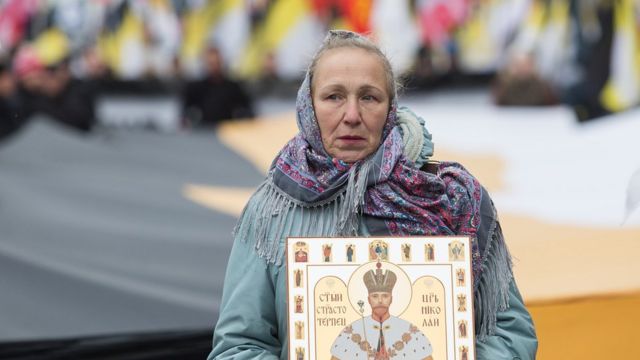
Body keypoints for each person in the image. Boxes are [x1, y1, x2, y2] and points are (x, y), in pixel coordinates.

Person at [208, 30, 537, 360]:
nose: (352, 115)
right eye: (334, 96)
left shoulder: (449, 199)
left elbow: (511, 335)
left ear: (390, 108)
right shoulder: (272, 211)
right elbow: (238, 346)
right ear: (309, 105)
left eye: (369, 97)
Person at [330, 261, 433, 360]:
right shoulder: (351, 330)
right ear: (369, 299)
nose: (380, 301)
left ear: (391, 299)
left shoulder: (410, 330)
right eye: (375, 296)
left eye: (385, 296)